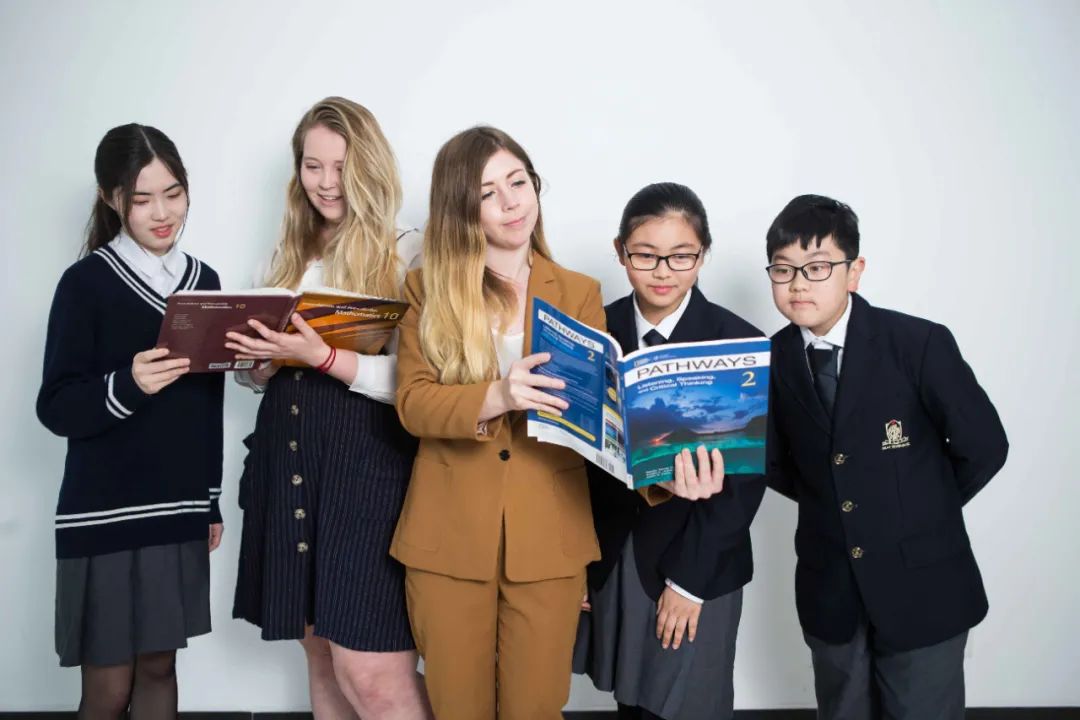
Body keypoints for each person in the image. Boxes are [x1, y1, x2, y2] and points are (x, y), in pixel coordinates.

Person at [764, 194, 1009, 720]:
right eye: (783, 270)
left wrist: (918, 510)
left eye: (817, 267)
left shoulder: (918, 343)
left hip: (923, 584)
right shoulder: (770, 359)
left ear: (854, 272)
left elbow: (985, 446)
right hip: (831, 587)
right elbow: (774, 463)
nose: (799, 283)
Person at [228, 97, 430, 719]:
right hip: (290, 462)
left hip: (369, 471)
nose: (325, 182)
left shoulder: (407, 251)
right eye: (312, 166)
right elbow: (258, 378)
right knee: (317, 650)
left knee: (370, 671)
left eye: (341, 166)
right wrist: (260, 365)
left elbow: (421, 384)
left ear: (370, 166)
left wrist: (321, 356)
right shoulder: (285, 255)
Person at [38, 123, 224, 720]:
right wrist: (128, 384)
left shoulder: (205, 284)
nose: (162, 213)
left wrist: (211, 499)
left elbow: (209, 403)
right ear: (111, 198)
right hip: (104, 512)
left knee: (159, 668)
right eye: (142, 200)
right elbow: (55, 405)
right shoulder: (85, 284)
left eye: (174, 193)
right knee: (109, 684)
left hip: (177, 507)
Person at [574, 182, 766, 720]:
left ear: (703, 254)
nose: (663, 271)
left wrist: (690, 583)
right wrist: (578, 561)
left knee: (689, 706)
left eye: (682, 256)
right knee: (631, 704)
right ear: (620, 252)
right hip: (614, 555)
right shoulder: (595, 330)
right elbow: (571, 462)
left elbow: (746, 486)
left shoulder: (739, 342)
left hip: (698, 562)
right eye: (645, 255)